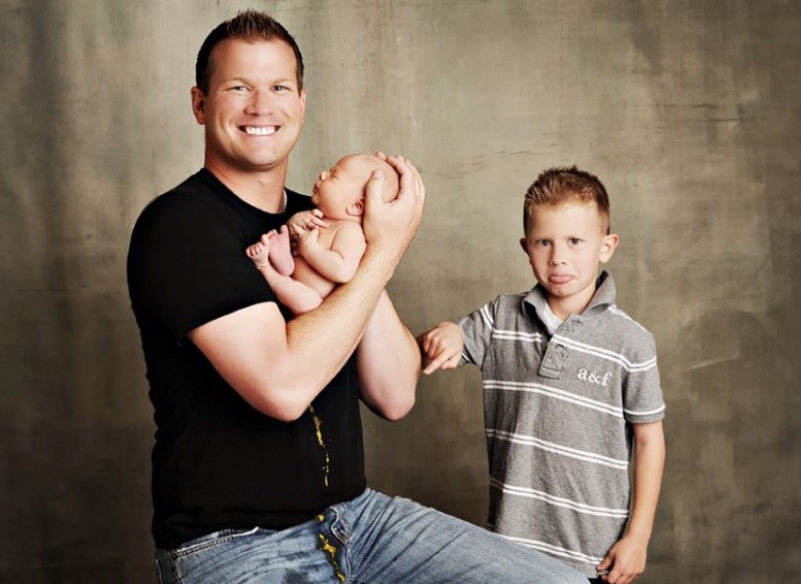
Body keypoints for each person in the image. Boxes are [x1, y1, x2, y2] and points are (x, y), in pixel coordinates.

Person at [127, 9, 588, 583]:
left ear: (301, 102)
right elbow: (283, 387)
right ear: (200, 103)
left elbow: (395, 395)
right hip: (233, 545)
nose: (261, 106)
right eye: (238, 87)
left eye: (278, 88)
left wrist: (368, 248)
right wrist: (385, 250)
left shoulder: (319, 223)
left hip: (357, 522)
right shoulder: (179, 227)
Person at [420, 166, 666, 583]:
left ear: (606, 246)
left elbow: (649, 441)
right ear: (525, 246)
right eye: (544, 242)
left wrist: (638, 536)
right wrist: (445, 332)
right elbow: (450, 343)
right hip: (511, 548)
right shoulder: (501, 318)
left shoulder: (632, 343)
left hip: (595, 555)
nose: (558, 257)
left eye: (575, 241)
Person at [245, 154, 399, 315]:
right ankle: (279, 254)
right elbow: (298, 239)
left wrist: (309, 249)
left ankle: (264, 267)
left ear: (357, 206)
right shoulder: (316, 216)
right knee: (287, 252)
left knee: (308, 301)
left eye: (334, 175)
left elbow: (343, 271)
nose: (323, 174)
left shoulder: (350, 232)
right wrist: (294, 224)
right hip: (291, 272)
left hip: (315, 304)